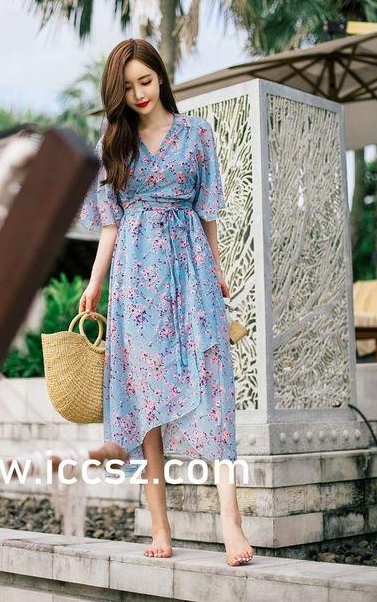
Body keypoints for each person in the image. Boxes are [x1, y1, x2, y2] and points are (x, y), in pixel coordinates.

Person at [78, 38, 254, 566]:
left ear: (161, 77)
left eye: (146, 81)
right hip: (136, 280)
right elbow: (110, 225)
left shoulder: (197, 134)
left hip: (192, 269)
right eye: (128, 86)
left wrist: (218, 271)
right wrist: (94, 284)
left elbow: (207, 212)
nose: (139, 94)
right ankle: (159, 525)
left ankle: (231, 522)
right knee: (145, 398)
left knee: (213, 386)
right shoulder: (113, 145)